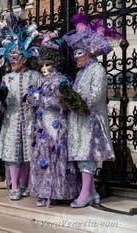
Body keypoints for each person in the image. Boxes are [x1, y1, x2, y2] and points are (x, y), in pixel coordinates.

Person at [62, 13, 121, 208]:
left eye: (79, 53)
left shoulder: (97, 70)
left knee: (87, 156)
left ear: (89, 51)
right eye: (74, 53)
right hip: (80, 120)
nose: (75, 57)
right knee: (81, 155)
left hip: (91, 120)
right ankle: (93, 192)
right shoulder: (81, 72)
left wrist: (76, 100)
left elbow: (96, 95)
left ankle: (85, 193)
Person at [0, 11, 42, 200]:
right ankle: (13, 185)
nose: (13, 60)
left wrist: (35, 100)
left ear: (24, 57)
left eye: (17, 56)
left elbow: (43, 96)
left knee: (28, 154)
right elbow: (0, 99)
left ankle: (24, 184)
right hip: (11, 119)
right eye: (11, 57)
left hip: (30, 119)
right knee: (13, 154)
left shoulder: (35, 76)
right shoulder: (6, 78)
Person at [27, 32, 78, 207]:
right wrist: (32, 99)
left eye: (47, 65)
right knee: (42, 158)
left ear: (55, 64)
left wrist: (41, 99)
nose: (44, 68)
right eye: (42, 65)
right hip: (42, 127)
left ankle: (57, 192)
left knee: (56, 157)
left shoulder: (62, 80)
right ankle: (43, 192)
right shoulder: (43, 81)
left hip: (57, 125)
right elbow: (39, 101)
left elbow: (63, 102)